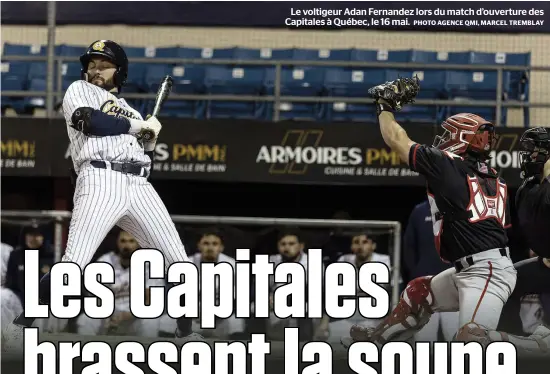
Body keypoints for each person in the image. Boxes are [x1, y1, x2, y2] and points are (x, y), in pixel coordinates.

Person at [2, 40, 202, 352]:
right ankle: (19, 329)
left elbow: (143, 153)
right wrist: (138, 126)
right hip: (100, 178)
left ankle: (185, 333)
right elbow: (90, 121)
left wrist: (149, 139)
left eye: (104, 65)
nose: (96, 69)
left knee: (180, 263)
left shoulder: (131, 110)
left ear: (119, 72)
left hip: (138, 183)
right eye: (92, 64)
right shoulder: (79, 90)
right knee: (74, 265)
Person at [342, 76, 548, 355]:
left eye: (448, 134)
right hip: (476, 267)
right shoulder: (491, 175)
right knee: (419, 292)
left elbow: (396, 139)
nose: (442, 140)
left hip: (486, 272)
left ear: (461, 137)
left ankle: (539, 346)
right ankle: (377, 341)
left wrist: (384, 105)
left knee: (471, 343)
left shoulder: (448, 164)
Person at [496, 127, 550, 342]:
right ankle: (512, 341)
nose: (531, 156)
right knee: (504, 282)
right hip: (545, 263)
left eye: (537, 150)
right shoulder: (530, 188)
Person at [76, 230, 162, 337]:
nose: (127, 245)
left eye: (131, 241)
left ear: (138, 244)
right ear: (117, 243)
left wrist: (130, 315)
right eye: (123, 241)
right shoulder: (106, 261)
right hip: (110, 314)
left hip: (135, 316)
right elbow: (96, 298)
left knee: (151, 319)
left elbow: (150, 302)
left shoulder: (149, 265)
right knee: (86, 319)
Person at [403, 200, 459, 343]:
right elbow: (409, 247)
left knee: (456, 339)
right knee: (424, 340)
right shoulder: (419, 211)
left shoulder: (460, 207)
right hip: (425, 289)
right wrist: (416, 274)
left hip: (454, 287)